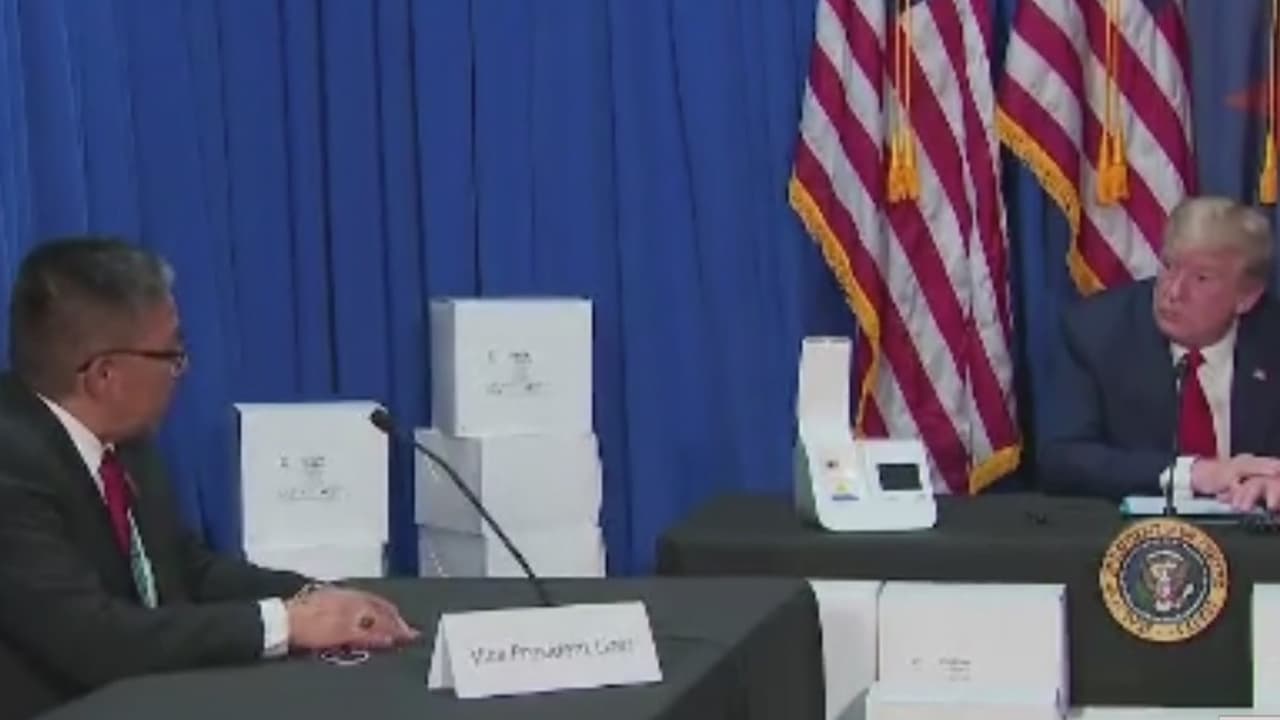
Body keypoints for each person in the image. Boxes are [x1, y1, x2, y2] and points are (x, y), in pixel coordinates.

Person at [0, 237, 418, 719]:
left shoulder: (123, 439)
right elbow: (94, 639)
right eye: (170, 354)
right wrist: (285, 623)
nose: (183, 370)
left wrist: (310, 596)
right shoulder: (10, 464)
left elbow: (187, 569)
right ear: (104, 376)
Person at [1039, 196, 1280, 511]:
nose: (1173, 291)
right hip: (1131, 535)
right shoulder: (1096, 332)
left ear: (1246, 298)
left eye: (1202, 278)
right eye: (1168, 266)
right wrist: (1194, 474)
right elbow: (1062, 459)